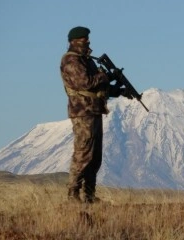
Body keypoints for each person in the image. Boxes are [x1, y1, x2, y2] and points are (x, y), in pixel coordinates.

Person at [60, 26, 131, 203]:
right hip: (82, 112)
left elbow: (98, 87)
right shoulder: (71, 61)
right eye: (85, 40)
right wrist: (105, 76)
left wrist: (118, 90)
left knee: (95, 157)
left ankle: (89, 195)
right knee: (83, 153)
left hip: (94, 110)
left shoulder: (86, 60)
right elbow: (86, 83)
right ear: (74, 41)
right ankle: (73, 194)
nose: (88, 42)